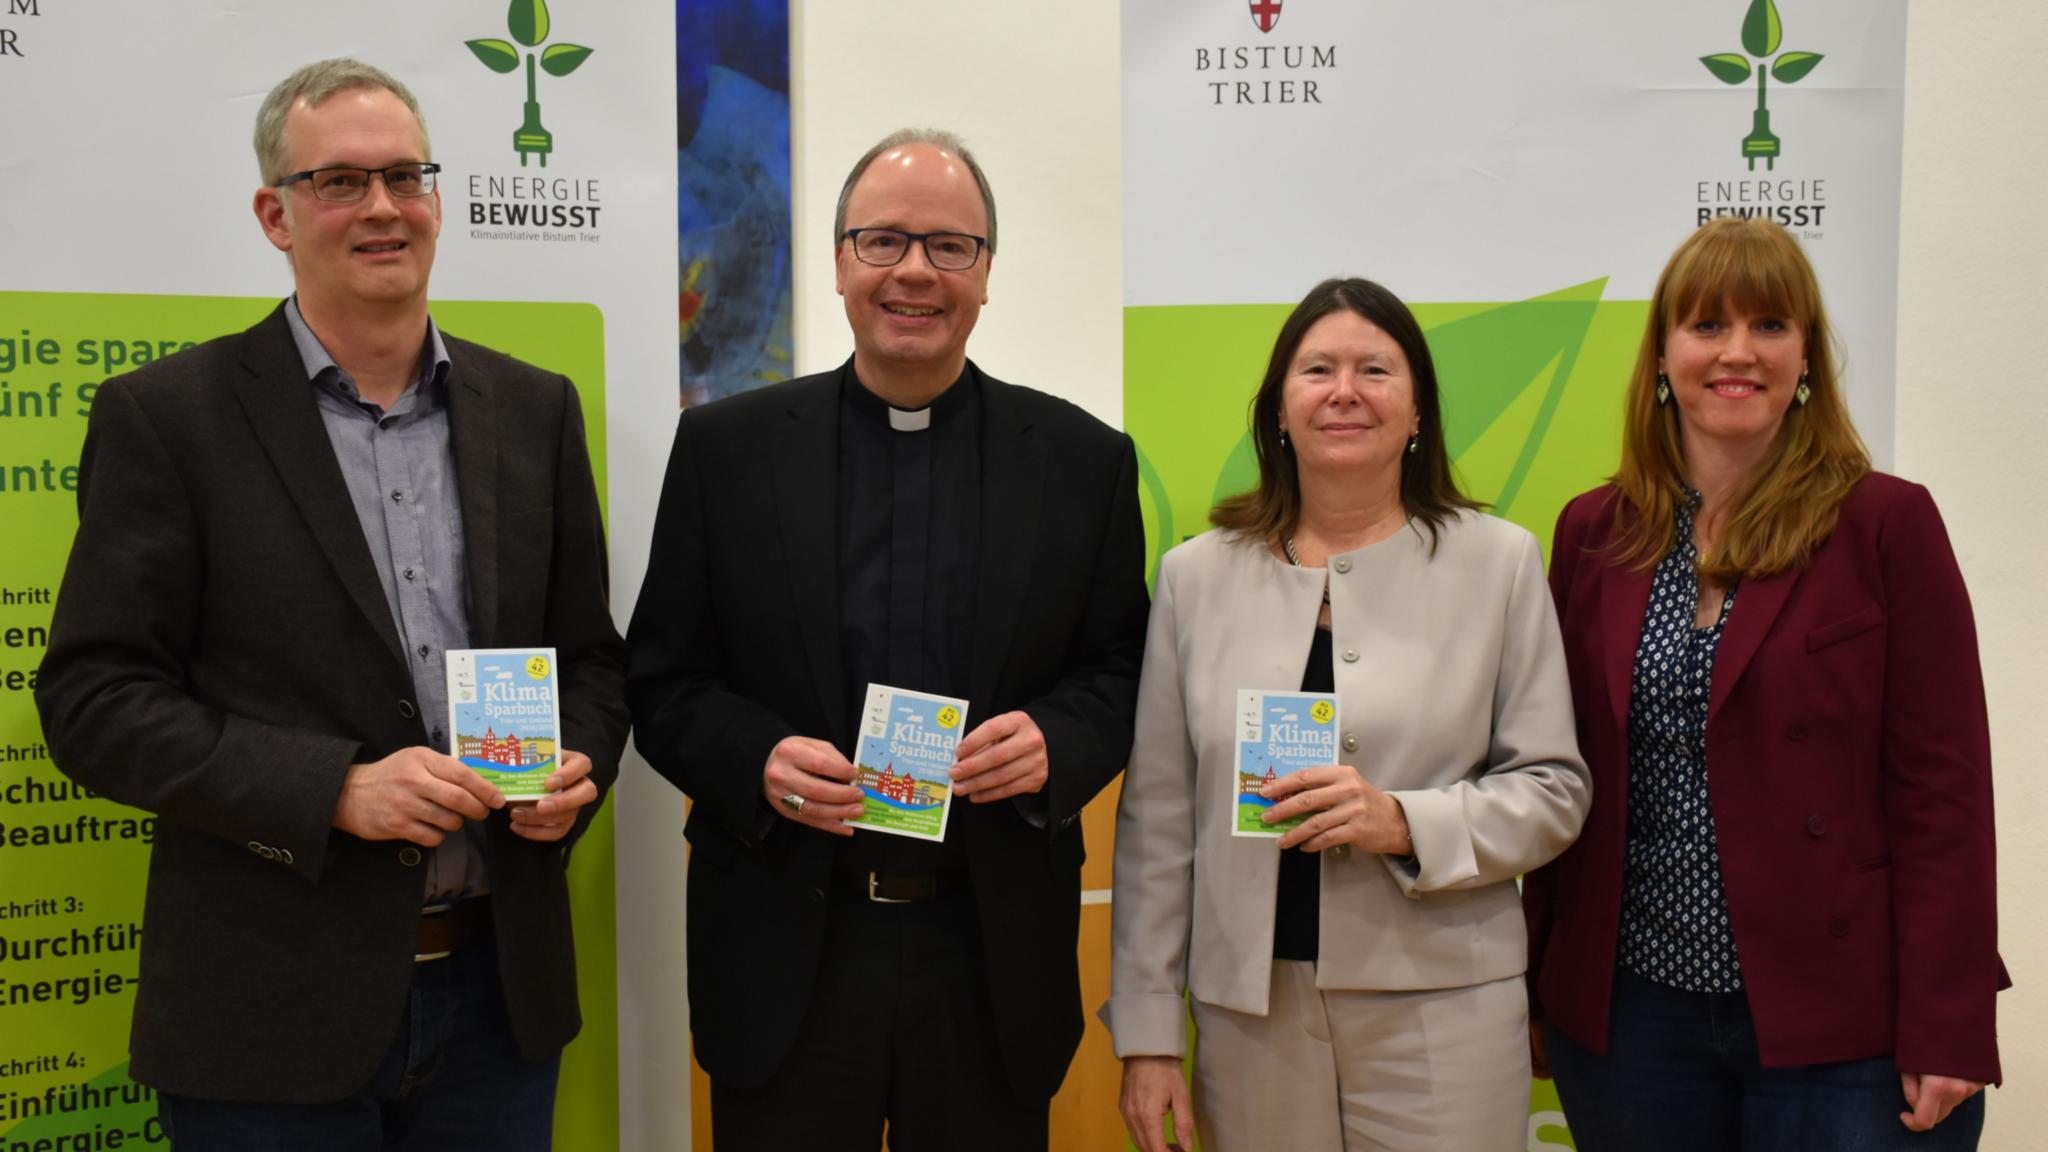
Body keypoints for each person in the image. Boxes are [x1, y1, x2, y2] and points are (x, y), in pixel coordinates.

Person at [34, 59, 629, 1150]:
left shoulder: (533, 410)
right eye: (340, 181)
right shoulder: (169, 420)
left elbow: (591, 662)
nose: (383, 208)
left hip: (502, 1003)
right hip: (266, 1018)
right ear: (276, 213)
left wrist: (574, 776)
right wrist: (332, 790)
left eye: (407, 176)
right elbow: (93, 701)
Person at [625, 128, 1148, 1150]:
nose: (914, 270)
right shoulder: (724, 451)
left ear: (986, 273)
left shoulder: (1083, 462)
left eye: (949, 246)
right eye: (882, 241)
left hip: (988, 952)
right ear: (837, 263)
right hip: (787, 944)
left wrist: (1057, 742)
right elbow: (663, 680)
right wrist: (759, 759)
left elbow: (1123, 671)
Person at [1522, 217, 2004, 1151]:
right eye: (1707, 326)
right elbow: (1561, 772)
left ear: (1807, 358)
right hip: (1634, 1022)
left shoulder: (1885, 525)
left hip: (1844, 1021)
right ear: (1662, 356)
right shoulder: (1592, 532)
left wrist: (1949, 1021)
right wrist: (1544, 981)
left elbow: (1944, 792)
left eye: (1770, 326)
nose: (1737, 352)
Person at [1104, 277, 1591, 1152]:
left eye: (1375, 369)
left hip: (1446, 1004)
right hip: (1250, 1019)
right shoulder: (1194, 577)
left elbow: (1552, 789)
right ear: (1278, 412)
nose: (1344, 391)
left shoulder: (1500, 565)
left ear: (1417, 414)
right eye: (1317, 368)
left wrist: (1404, 820)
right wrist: (1145, 1036)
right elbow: (1159, 823)